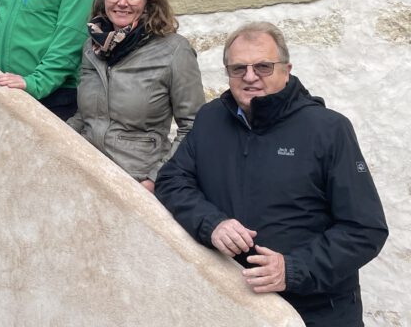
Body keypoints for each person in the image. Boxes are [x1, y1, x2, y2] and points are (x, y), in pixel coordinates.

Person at [155, 22, 388, 327]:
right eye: (238, 68)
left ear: (286, 69)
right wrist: (212, 223)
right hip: (230, 306)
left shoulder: (329, 130)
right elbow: (173, 181)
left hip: (316, 312)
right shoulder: (211, 119)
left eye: (263, 66)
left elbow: (365, 229)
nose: (250, 77)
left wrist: (292, 270)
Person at [67, 0, 204, 193]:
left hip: (138, 180)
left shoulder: (174, 50)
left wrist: (154, 179)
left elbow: (193, 127)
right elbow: (86, 116)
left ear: (149, 2)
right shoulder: (92, 47)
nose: (122, 2)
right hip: (88, 174)